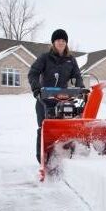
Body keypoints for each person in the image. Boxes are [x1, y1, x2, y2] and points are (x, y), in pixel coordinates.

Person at [28, 29, 85, 163]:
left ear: (66, 43)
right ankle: (42, 158)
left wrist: (81, 88)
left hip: (63, 100)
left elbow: (77, 76)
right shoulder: (45, 58)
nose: (61, 42)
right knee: (44, 127)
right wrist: (37, 89)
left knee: (65, 128)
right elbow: (33, 73)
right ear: (53, 42)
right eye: (58, 40)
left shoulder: (70, 60)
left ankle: (65, 153)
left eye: (63, 41)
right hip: (45, 99)